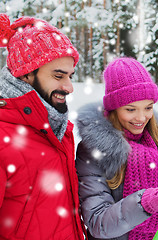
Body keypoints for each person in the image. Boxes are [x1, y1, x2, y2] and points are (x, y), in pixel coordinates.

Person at [75, 57, 158, 240]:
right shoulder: (93, 150)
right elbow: (98, 223)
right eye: (131, 109)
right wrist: (145, 202)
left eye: (148, 107)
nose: (141, 117)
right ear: (114, 108)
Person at [0, 14, 85, 239]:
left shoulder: (59, 129)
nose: (69, 87)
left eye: (70, 76)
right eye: (58, 76)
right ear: (26, 74)